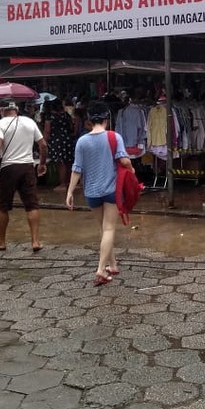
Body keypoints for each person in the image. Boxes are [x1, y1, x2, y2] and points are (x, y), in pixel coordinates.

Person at [65, 101, 134, 285]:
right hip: (111, 191)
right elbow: (124, 161)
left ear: (88, 121)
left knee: (103, 229)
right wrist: (132, 169)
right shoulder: (114, 137)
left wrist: (70, 192)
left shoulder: (82, 141)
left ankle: (113, 265)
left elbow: (77, 169)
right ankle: (101, 270)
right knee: (109, 228)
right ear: (106, 119)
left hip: (92, 192)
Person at [0, 100, 47, 252]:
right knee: (32, 204)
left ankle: (1, 241)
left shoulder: (0, 124)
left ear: (2, 110)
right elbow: (43, 145)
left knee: (3, 206)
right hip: (27, 167)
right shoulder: (29, 121)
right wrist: (42, 164)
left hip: (9, 168)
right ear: (17, 109)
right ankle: (35, 241)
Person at [43, 98, 76, 190]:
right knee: (68, 161)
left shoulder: (50, 116)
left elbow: (47, 130)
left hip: (56, 141)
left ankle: (62, 184)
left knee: (60, 162)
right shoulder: (66, 115)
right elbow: (71, 126)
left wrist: (43, 142)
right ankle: (69, 182)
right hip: (67, 139)